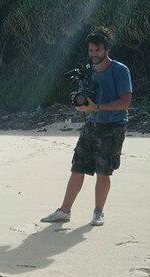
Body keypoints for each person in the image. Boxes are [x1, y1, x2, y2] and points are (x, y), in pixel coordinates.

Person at [41, 27, 132, 226]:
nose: (93, 54)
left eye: (97, 50)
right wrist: (78, 102)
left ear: (106, 49)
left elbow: (126, 102)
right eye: (90, 51)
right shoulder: (88, 72)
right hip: (92, 124)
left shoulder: (120, 70)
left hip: (113, 126)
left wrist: (97, 107)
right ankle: (64, 211)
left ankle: (98, 212)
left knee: (103, 172)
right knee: (77, 168)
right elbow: (85, 103)